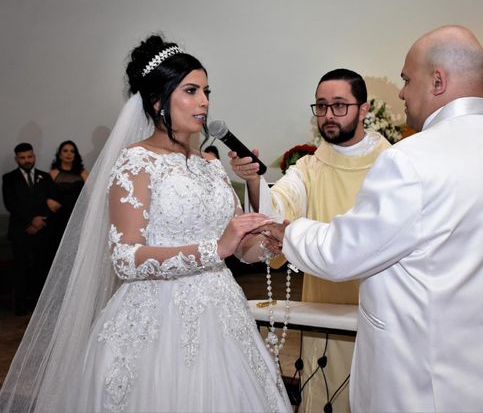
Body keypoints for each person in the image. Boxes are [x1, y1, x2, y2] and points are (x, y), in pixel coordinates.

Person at [0, 35, 291, 413]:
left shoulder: (211, 165)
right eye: (191, 90)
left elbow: (244, 248)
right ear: (157, 101)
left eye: (206, 90)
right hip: (156, 321)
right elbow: (125, 258)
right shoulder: (135, 162)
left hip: (222, 316)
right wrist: (215, 248)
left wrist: (266, 229)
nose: (204, 101)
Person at [264, 26, 483, 412]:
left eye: (407, 79)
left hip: (426, 381)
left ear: (438, 81)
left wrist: (288, 231)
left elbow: (343, 254)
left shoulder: (411, 160)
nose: (401, 92)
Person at [231, 68, 391, 412]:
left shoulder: (393, 163)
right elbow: (278, 209)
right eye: (321, 106)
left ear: (364, 109)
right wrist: (257, 182)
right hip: (324, 304)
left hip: (382, 309)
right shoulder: (310, 167)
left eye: (339, 105)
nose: (328, 115)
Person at [2, 143, 60, 315]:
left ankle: (39, 307)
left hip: (42, 230)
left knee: (41, 268)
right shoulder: (9, 178)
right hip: (21, 230)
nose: (27, 160)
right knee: (21, 269)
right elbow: (11, 204)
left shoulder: (45, 177)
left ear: (34, 156)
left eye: (29, 156)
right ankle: (20, 307)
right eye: (23, 157)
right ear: (16, 159)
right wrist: (31, 221)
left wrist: (40, 221)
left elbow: (54, 201)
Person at [48, 140, 88, 259]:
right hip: (58, 217)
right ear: (59, 155)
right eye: (65, 151)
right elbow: (46, 195)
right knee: (57, 248)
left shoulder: (83, 173)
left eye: (72, 151)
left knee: (77, 248)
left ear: (75, 155)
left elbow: (91, 195)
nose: (69, 154)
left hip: (78, 215)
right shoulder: (53, 174)